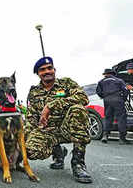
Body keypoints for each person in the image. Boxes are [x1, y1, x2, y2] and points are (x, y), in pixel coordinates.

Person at [25, 56, 92, 184]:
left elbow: (83, 97)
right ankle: (59, 153)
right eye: (42, 70)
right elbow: (31, 116)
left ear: (54, 69)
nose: (47, 72)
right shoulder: (34, 92)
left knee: (78, 110)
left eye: (49, 68)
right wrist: (26, 136)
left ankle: (78, 163)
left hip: (68, 128)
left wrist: (52, 105)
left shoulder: (66, 83)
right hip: (48, 131)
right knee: (31, 151)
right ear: (38, 74)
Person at [96, 68, 131, 144]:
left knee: (108, 118)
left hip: (107, 100)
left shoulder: (101, 82)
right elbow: (125, 90)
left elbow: (98, 92)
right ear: (113, 74)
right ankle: (122, 138)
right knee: (121, 118)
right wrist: (123, 99)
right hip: (118, 99)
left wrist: (104, 97)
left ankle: (105, 136)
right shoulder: (119, 80)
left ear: (105, 74)